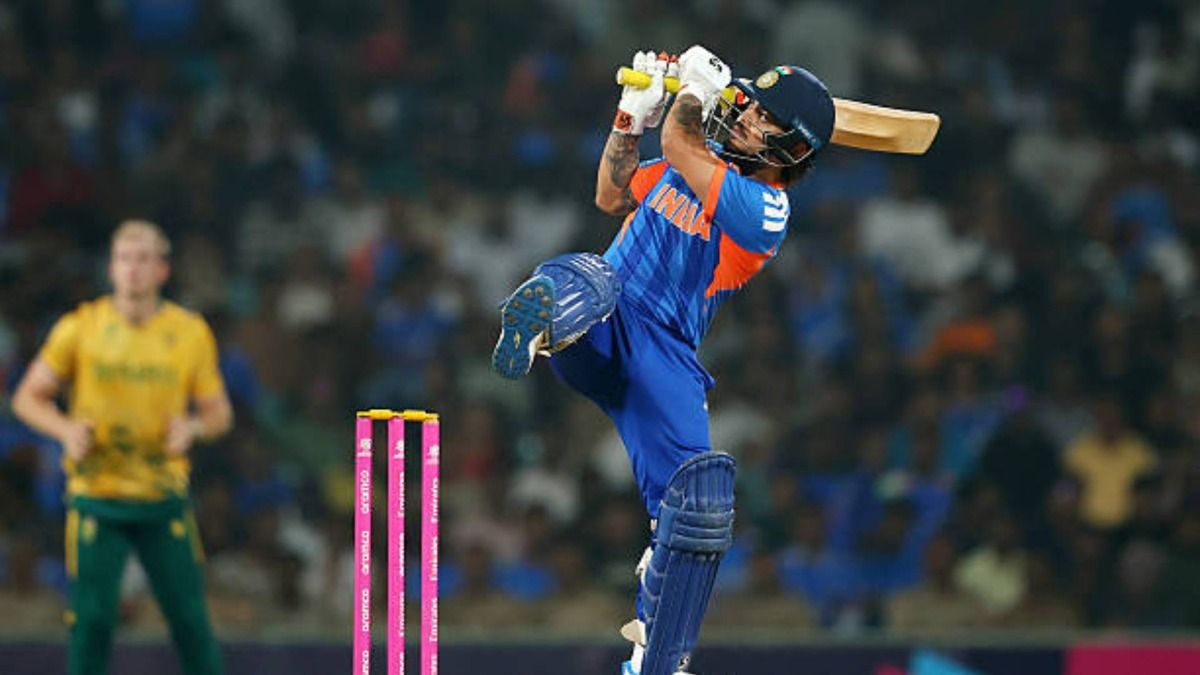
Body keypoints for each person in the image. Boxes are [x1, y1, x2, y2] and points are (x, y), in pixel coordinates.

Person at [491, 46, 835, 675]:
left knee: (701, 500)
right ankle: (544, 324)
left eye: (762, 121)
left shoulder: (766, 210)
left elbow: (682, 145)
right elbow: (608, 195)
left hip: (666, 353)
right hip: (606, 319)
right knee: (591, 278)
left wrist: (689, 98)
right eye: (749, 105)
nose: (747, 119)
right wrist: (630, 118)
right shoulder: (692, 161)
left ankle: (657, 659)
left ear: (791, 152)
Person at [12, 220, 233, 675]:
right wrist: (65, 429)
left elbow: (220, 414)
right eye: (124, 259)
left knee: (190, 620)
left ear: (162, 270)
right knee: (92, 620)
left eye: (143, 259)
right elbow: (27, 398)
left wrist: (193, 428)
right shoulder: (80, 329)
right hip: (98, 495)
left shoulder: (189, 333)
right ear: (111, 268)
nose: (132, 269)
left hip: (163, 496)